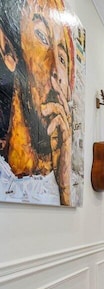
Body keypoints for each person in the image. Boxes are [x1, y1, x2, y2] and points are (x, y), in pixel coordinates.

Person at [0, 0, 76, 206]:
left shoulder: (64, 182)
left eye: (62, 58)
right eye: (42, 36)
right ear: (8, 51)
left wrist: (65, 186)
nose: (57, 74)